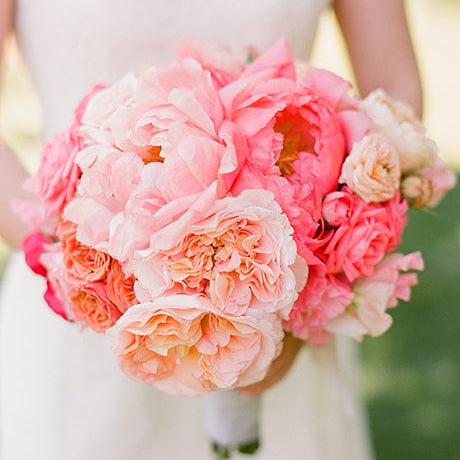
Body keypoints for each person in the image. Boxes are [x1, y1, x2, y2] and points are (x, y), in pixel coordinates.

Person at [0, 1, 422, 458]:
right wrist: (88, 269)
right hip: (80, 321)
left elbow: (395, 93)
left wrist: (313, 288)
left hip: (280, 306)